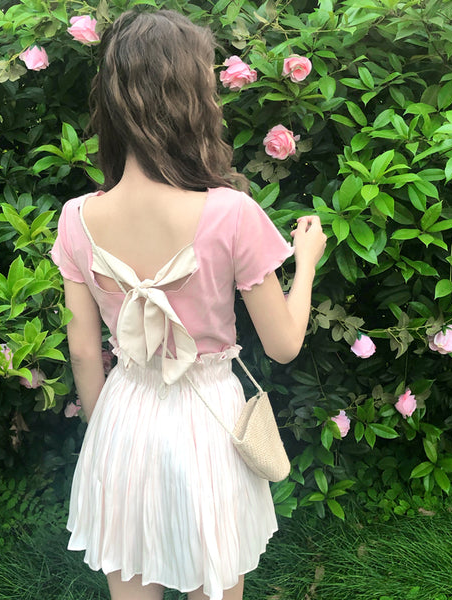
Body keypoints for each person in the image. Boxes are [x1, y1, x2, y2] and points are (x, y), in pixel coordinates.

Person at [51, 10, 327, 600]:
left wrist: (107, 432)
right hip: (207, 420)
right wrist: (305, 263)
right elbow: (283, 345)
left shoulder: (76, 218)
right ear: (191, 99)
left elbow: (84, 352)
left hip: (124, 413)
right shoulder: (230, 213)